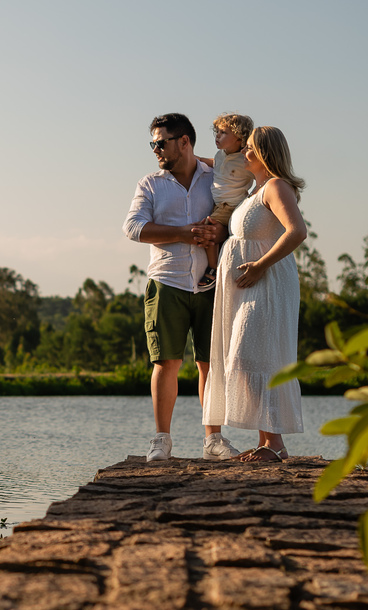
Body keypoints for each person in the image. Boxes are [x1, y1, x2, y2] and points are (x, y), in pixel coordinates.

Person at [123, 113, 239, 463]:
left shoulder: (215, 178)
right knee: (166, 362)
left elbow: (234, 217)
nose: (156, 149)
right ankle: (162, 441)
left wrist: (219, 233)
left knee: (210, 365)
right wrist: (184, 232)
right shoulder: (150, 184)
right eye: (153, 143)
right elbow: (133, 227)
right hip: (167, 282)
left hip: (212, 285)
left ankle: (214, 440)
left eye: (162, 142)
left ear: (184, 142)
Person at [202, 126, 307, 461]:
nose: (244, 153)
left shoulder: (276, 186)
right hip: (249, 286)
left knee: (252, 355)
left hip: (268, 283)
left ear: (264, 152)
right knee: (248, 356)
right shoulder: (255, 190)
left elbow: (297, 231)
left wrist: (260, 264)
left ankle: (275, 444)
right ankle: (267, 442)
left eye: (249, 148)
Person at [196, 113, 256, 288]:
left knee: (209, 229)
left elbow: (259, 173)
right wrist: (198, 160)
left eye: (223, 133)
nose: (217, 136)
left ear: (239, 137)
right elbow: (216, 163)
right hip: (219, 204)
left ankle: (213, 269)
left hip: (230, 205)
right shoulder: (221, 154)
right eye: (217, 132)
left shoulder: (245, 158)